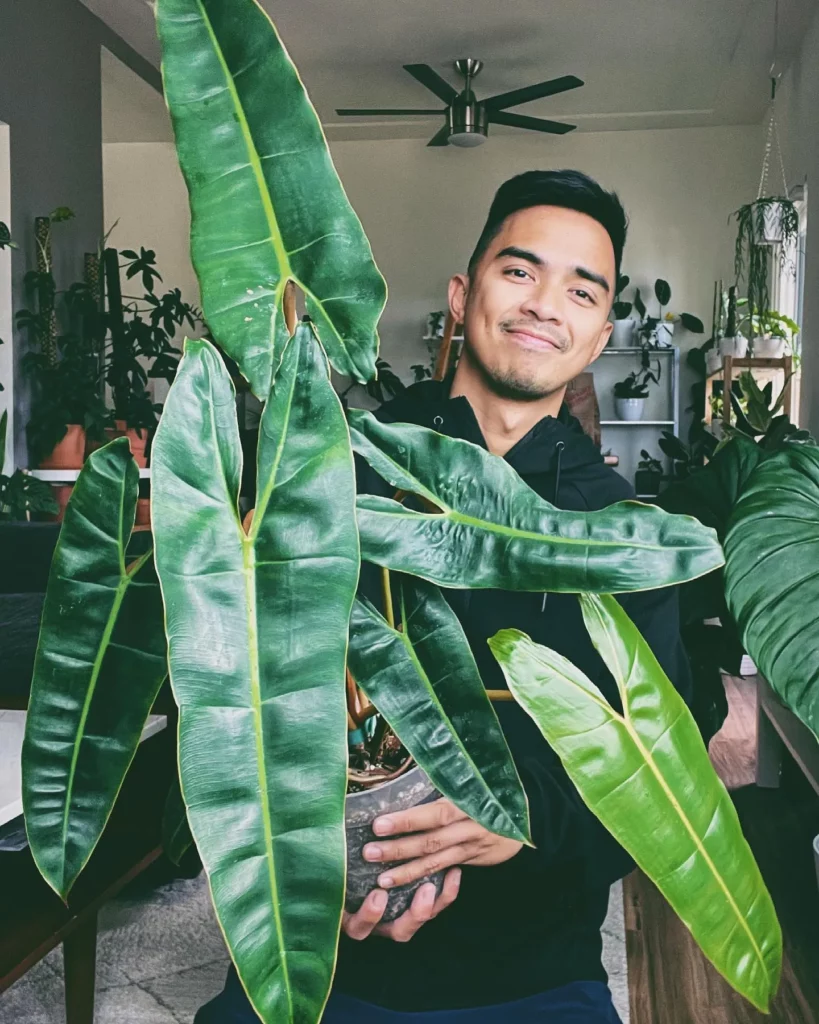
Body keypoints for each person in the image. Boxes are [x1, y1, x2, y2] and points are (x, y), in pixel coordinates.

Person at [196, 169, 693, 1023]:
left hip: (530, 969)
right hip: (322, 943)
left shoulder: (619, 532)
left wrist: (522, 816)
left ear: (597, 333)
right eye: (519, 271)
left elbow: (663, 771)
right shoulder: (332, 472)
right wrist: (314, 859)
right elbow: (234, 698)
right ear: (463, 296)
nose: (546, 303)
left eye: (581, 290)